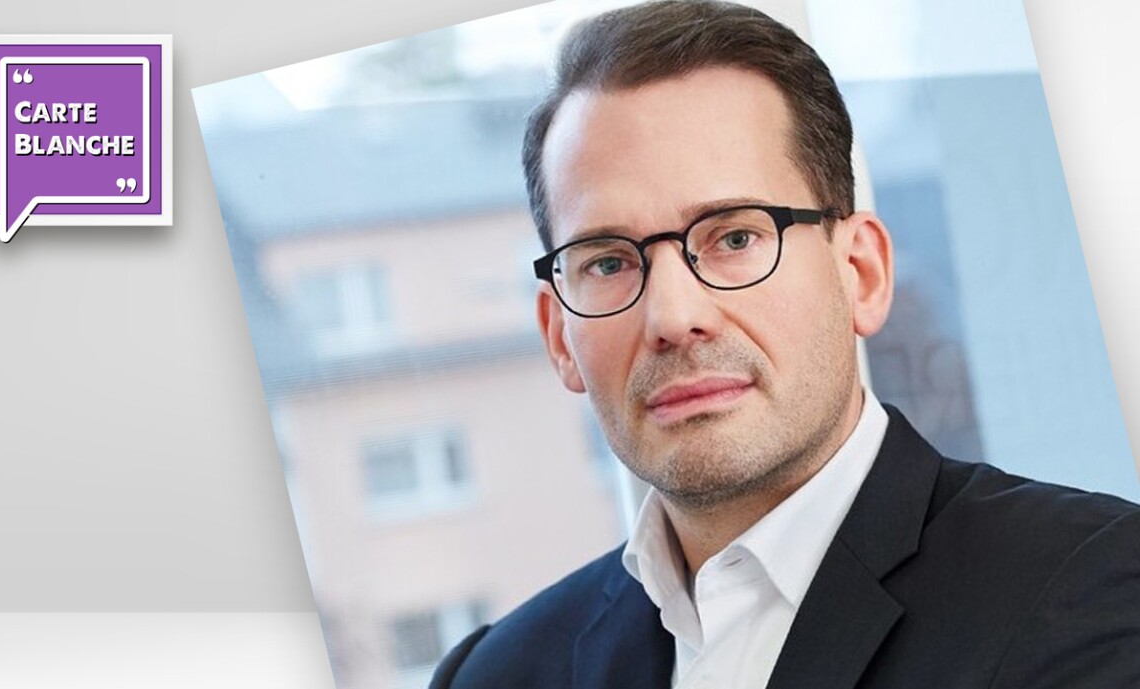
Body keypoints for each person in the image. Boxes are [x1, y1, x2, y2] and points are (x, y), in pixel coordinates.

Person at [429, 1, 1140, 688]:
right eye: (609, 261)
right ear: (559, 335)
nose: (673, 316)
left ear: (861, 273)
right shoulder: (493, 675)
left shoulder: (1095, 594)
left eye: (736, 237)